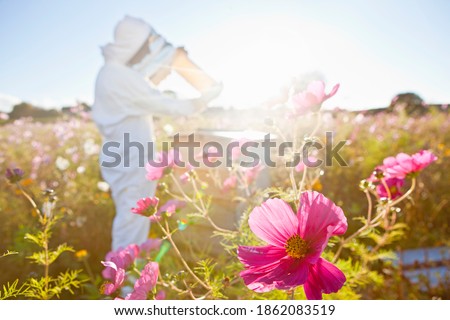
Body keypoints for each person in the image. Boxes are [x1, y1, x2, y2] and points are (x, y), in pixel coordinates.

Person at [92, 16, 221, 251]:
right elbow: (160, 102)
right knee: (131, 223)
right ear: (136, 45)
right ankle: (124, 282)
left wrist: (169, 66)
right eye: (146, 45)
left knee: (133, 220)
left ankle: (126, 277)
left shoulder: (114, 73)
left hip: (125, 158)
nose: (148, 51)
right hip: (128, 161)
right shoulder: (117, 74)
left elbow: (146, 89)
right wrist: (202, 100)